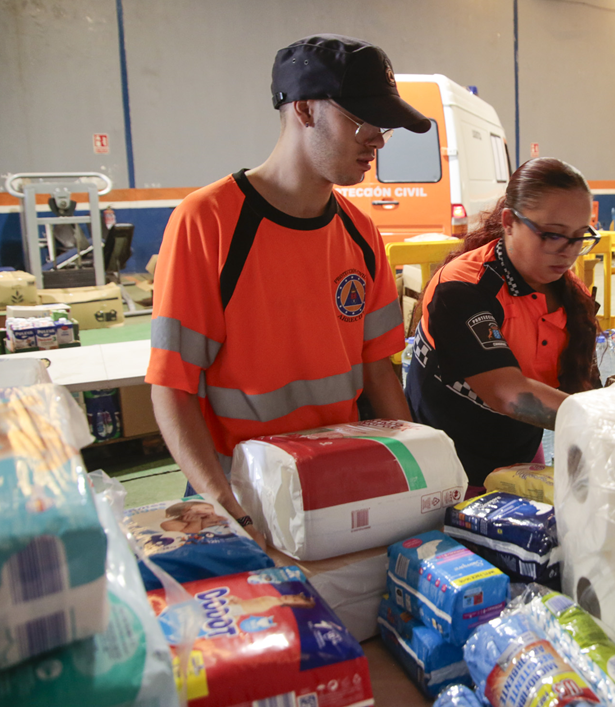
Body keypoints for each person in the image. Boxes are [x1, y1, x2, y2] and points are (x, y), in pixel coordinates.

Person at [147, 34, 426, 546]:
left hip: (334, 483)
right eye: (362, 122)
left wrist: (415, 470)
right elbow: (173, 386)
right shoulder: (207, 222)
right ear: (304, 110)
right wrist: (223, 503)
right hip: (241, 489)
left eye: (382, 127)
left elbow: (377, 369)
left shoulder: (361, 234)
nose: (378, 141)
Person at [405, 157, 602, 493]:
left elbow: (583, 389)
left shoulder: (573, 298)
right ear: (510, 221)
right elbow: (506, 392)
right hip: (445, 472)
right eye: (553, 235)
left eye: (579, 237)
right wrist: (610, 422)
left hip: (517, 463)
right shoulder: (461, 288)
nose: (568, 252)